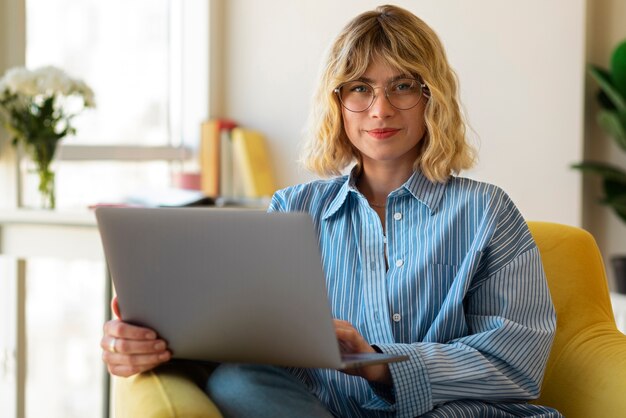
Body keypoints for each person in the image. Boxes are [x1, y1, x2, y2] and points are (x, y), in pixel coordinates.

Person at [101, 5, 563, 417]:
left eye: (403, 85)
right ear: (337, 103)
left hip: (443, 413)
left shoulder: (487, 211)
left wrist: (383, 364)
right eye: (359, 88)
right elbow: (246, 338)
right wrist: (149, 347)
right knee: (237, 381)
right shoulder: (292, 210)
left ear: (432, 97)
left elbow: (514, 362)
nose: (380, 109)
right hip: (312, 409)